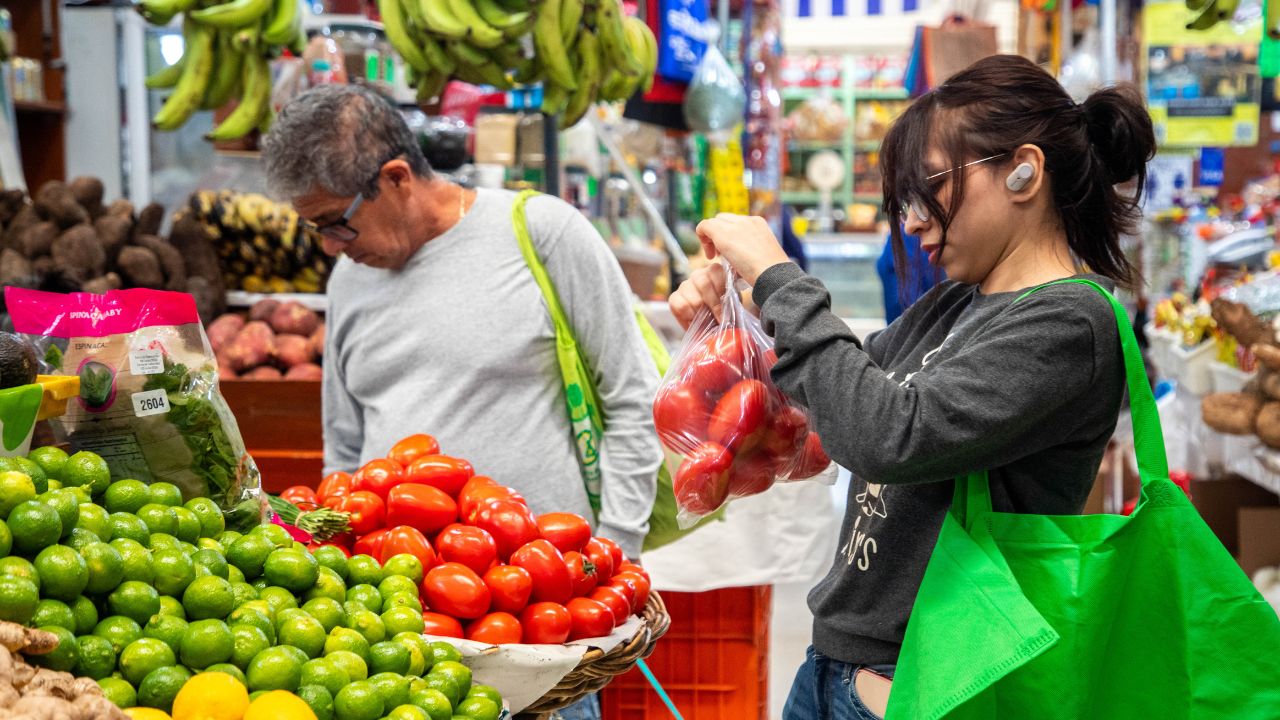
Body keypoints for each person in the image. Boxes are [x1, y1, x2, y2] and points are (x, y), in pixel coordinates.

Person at [668, 55, 1155, 718]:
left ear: (1024, 172)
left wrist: (781, 277)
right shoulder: (958, 302)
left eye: (930, 187)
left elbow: (886, 434)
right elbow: (829, 412)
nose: (913, 221)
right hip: (842, 664)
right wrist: (742, 320)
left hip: (928, 680)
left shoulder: (1071, 321)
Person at [263, 85, 662, 720]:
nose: (330, 247)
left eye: (335, 223)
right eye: (316, 230)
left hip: (538, 632)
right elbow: (343, 445)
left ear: (395, 178)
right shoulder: (348, 279)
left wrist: (615, 557)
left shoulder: (540, 232)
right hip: (398, 635)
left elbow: (633, 397)